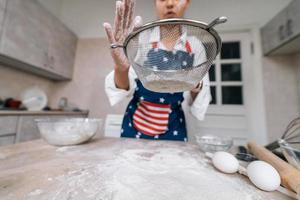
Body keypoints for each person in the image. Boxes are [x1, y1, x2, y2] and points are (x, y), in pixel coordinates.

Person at [103, 0, 211, 142]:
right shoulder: (141, 40)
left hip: (174, 127)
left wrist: (195, 87)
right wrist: (121, 68)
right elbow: (123, 89)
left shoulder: (195, 46)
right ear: (155, 3)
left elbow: (199, 101)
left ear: (187, 2)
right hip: (134, 127)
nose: (170, 3)